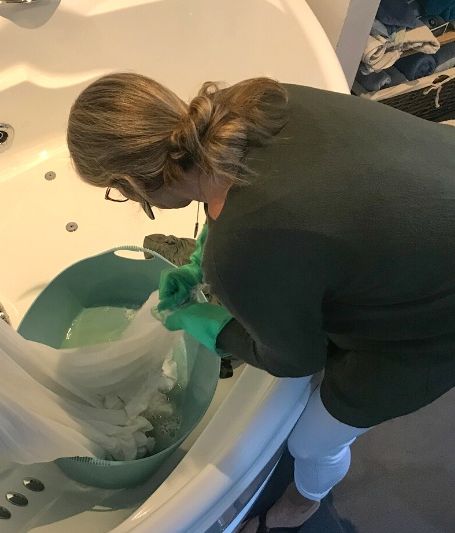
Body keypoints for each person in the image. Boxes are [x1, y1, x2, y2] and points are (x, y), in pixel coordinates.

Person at [66, 72, 455, 532]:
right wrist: (204, 256)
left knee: (311, 444)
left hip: (433, 322)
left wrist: (209, 325)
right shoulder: (253, 102)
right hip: (437, 185)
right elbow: (284, 187)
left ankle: (304, 503)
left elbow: (297, 359)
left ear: (129, 182)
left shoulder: (245, 250)